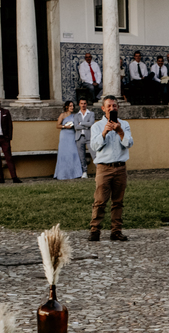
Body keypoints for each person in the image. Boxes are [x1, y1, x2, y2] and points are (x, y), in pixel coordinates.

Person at [89, 95, 133, 242]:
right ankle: (95, 230)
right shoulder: (96, 126)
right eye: (109, 106)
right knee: (100, 201)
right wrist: (104, 132)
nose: (112, 108)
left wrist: (120, 132)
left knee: (118, 201)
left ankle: (116, 231)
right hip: (104, 168)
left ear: (118, 108)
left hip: (120, 167)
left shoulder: (124, 124)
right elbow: (94, 146)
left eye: (114, 106)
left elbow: (129, 143)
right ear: (103, 108)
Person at [53, 100, 84, 180]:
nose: (72, 107)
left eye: (73, 106)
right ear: (66, 107)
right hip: (64, 135)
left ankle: (74, 173)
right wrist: (64, 126)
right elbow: (57, 125)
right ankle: (63, 174)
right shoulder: (63, 115)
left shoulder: (75, 116)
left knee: (73, 153)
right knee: (64, 154)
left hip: (72, 135)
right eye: (70, 106)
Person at [73, 97, 94, 177]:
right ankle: (84, 172)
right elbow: (76, 127)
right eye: (81, 103)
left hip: (89, 137)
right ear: (79, 104)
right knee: (81, 156)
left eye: (84, 103)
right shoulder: (76, 115)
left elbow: (91, 123)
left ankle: (99, 170)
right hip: (79, 137)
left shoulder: (91, 113)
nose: (83, 105)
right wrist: (86, 125)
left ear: (87, 104)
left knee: (94, 154)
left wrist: (81, 123)